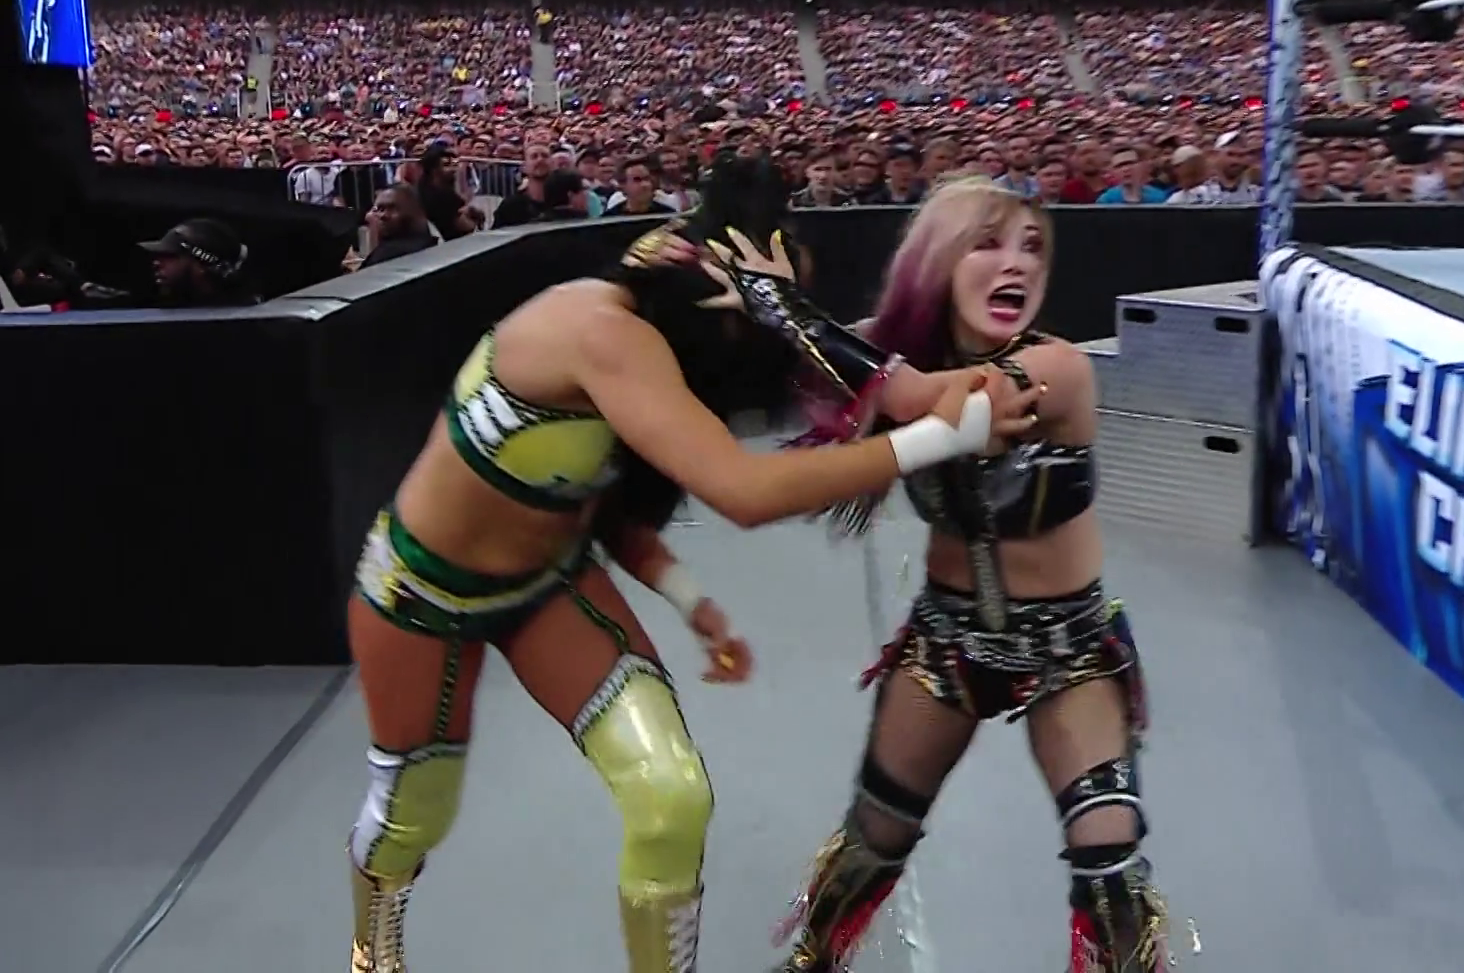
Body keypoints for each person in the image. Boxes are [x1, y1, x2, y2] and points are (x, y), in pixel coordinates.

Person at [343, 154, 1044, 973]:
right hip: (420, 593)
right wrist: (940, 438)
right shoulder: (604, 333)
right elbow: (743, 490)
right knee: (414, 813)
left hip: (547, 586)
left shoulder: (663, 328)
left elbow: (600, 508)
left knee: (671, 795)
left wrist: (687, 598)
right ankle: (371, 953)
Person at [772, 179, 1166, 973]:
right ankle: (808, 962)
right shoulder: (897, 357)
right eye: (988, 243)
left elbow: (955, 406)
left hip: (1069, 651)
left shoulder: (1057, 369)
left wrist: (786, 313)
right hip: (946, 643)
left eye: (1032, 247)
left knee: (1110, 861)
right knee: (873, 837)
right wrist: (742, 295)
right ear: (939, 262)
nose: (1017, 262)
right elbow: (836, 376)